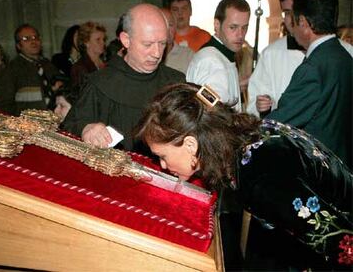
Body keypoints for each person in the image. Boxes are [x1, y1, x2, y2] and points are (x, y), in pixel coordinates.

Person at [134, 82, 352, 271]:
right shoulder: (245, 139)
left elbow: (341, 245)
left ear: (191, 145)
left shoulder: (258, 177)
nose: (162, 165)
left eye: (162, 156)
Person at [63, 3, 185, 152]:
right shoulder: (99, 83)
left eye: (162, 43)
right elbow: (70, 126)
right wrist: (86, 128)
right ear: (126, 40)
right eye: (148, 44)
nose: (157, 53)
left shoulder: (175, 82)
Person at [266, 0, 352, 169]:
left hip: (319, 173)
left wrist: (242, 128)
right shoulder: (345, 58)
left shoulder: (313, 67)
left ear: (303, 22)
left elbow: (278, 124)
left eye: (293, 18)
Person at [186, 0, 250, 112]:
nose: (240, 35)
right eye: (233, 27)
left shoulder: (220, 56)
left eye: (244, 28)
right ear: (217, 25)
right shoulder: (211, 60)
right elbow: (210, 109)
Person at [247, 0, 305, 117]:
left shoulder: (345, 52)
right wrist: (263, 107)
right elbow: (253, 105)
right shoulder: (271, 54)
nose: (293, 20)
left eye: (298, 12)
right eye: (288, 13)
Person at [0, 24, 62, 116]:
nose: (33, 41)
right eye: (26, 39)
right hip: (27, 125)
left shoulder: (48, 65)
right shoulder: (13, 69)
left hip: (52, 121)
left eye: (35, 37)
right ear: (18, 46)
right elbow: (2, 104)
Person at [70, 21, 106, 92]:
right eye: (98, 40)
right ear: (86, 42)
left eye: (103, 39)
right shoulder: (80, 68)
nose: (103, 43)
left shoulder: (105, 63)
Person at [161, 8, 194, 74]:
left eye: (170, 25)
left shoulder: (188, 55)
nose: (167, 29)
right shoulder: (147, 55)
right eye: (162, 24)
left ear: (175, 27)